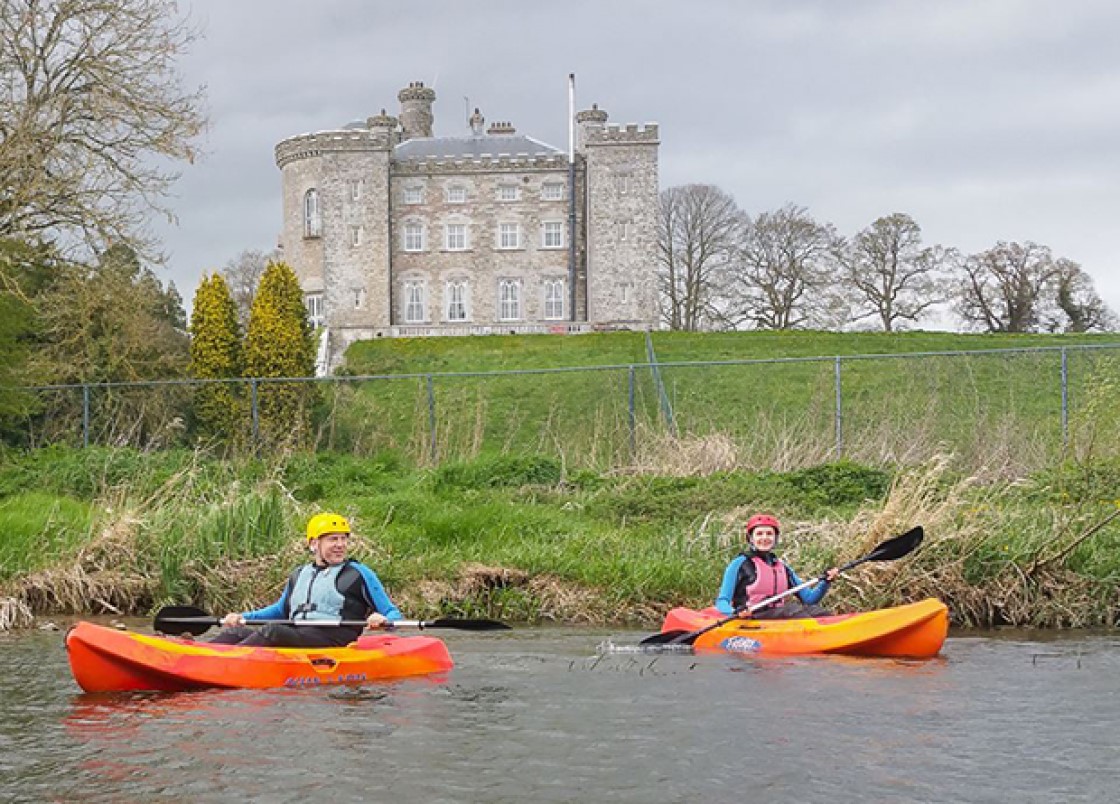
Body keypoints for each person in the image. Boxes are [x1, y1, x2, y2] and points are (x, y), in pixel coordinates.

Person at [210, 512, 402, 648]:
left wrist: (384, 620)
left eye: (343, 539)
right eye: (333, 539)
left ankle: (225, 665)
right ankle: (198, 654)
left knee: (273, 631)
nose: (340, 545)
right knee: (234, 633)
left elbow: (393, 613)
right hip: (300, 635)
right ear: (313, 544)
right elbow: (280, 611)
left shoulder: (358, 573)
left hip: (334, 639)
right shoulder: (299, 574)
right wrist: (243, 618)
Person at [714, 513, 840, 620]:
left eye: (769, 534)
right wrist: (735, 612)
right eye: (759, 534)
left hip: (778, 616)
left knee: (819, 612)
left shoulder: (782, 567)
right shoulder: (739, 564)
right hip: (752, 618)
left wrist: (825, 582)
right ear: (751, 539)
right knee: (793, 609)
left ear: (775, 538)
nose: (764, 538)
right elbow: (722, 601)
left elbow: (809, 599)